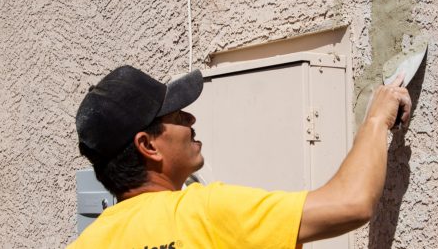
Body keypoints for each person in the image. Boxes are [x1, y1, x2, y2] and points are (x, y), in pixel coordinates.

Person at [68, 65, 411, 248]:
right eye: (176, 116)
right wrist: (377, 119)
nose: (191, 120)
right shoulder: (204, 212)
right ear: (148, 146)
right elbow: (351, 204)